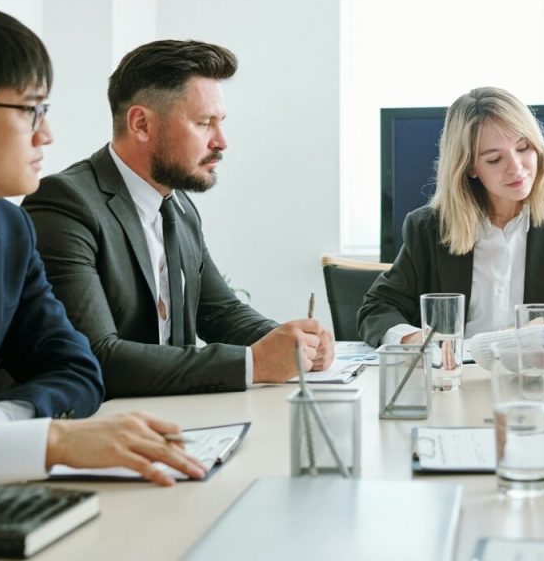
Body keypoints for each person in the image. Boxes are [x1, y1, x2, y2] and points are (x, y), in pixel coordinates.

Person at [0, 1, 205, 488]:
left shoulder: (5, 232)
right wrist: (45, 442)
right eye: (31, 111)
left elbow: (76, 370)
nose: (47, 134)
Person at [23, 40, 334, 398]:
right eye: (204, 124)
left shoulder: (179, 205)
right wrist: (253, 364)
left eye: (220, 123)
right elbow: (96, 356)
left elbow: (220, 313)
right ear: (141, 124)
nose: (221, 141)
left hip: (179, 417)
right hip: (102, 429)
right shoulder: (66, 203)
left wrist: (293, 343)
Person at [357, 86, 544, 348]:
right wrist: (423, 340)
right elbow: (377, 308)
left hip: (535, 373)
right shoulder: (428, 228)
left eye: (523, 148)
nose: (516, 168)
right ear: (469, 167)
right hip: (453, 374)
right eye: (494, 159)